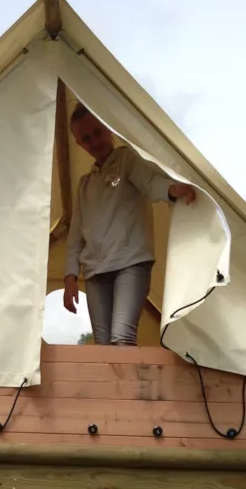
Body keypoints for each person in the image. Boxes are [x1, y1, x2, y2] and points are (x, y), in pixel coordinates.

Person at [63, 104, 197, 345]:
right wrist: (70, 278)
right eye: (86, 138)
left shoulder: (127, 159)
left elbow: (150, 183)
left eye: (97, 132)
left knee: (122, 337)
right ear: (79, 143)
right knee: (103, 345)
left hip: (131, 263)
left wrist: (172, 190)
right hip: (95, 272)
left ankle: (124, 383)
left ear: (108, 129)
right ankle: (111, 385)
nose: (94, 141)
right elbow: (75, 238)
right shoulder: (85, 184)